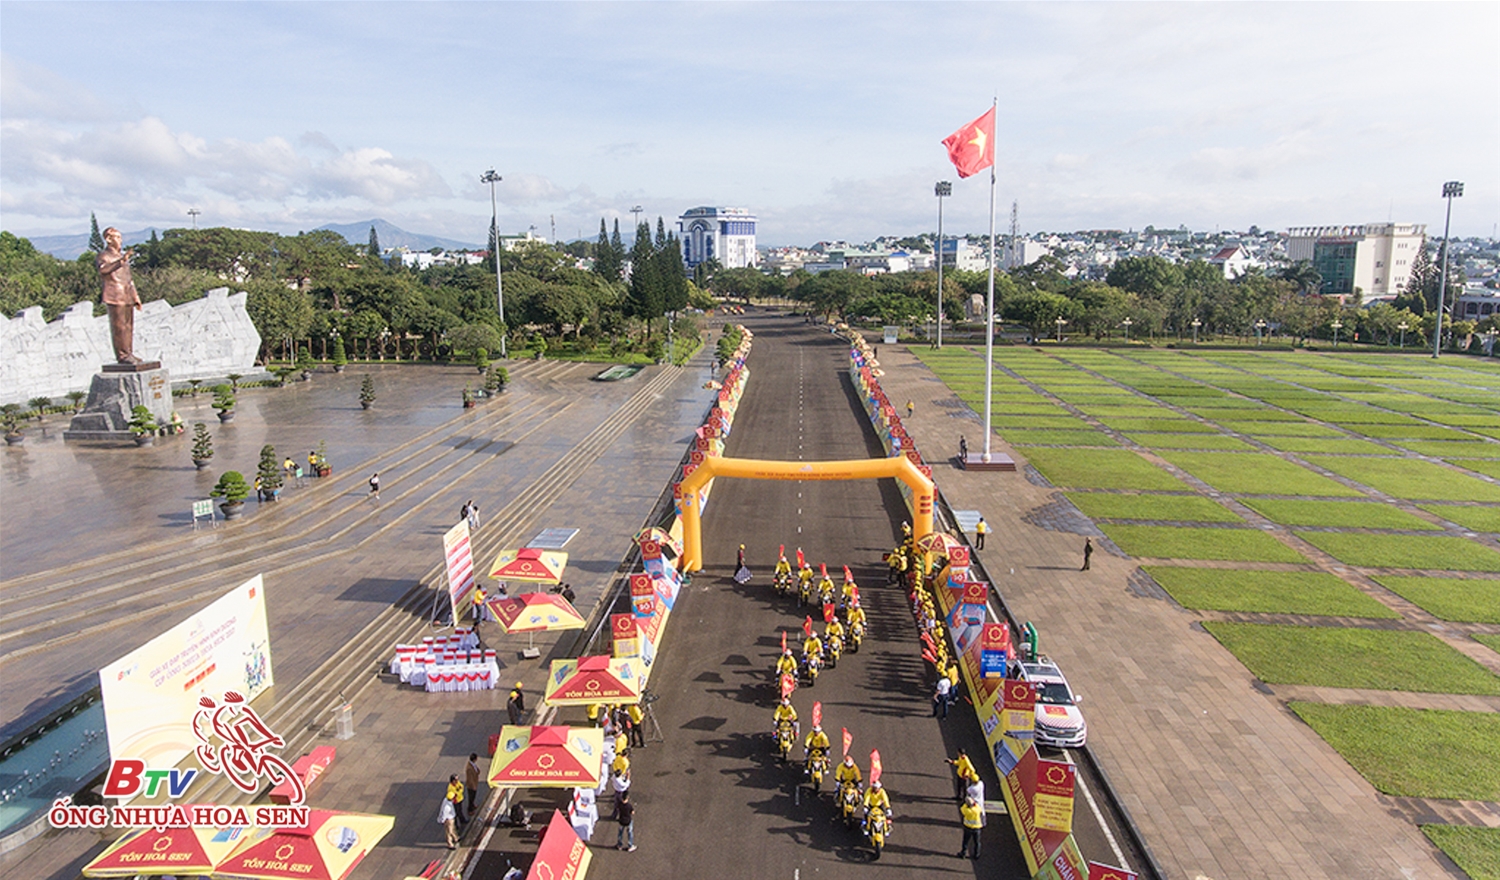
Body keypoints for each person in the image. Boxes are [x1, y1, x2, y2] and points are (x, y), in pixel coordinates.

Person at [96, 227, 144, 364]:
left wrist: (135, 297)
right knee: (119, 327)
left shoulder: (121, 257)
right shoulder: (104, 256)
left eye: (120, 237)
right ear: (108, 239)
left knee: (128, 326)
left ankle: (129, 352)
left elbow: (129, 279)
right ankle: (122, 355)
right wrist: (120, 262)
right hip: (115, 295)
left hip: (126, 293)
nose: (120, 241)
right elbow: (103, 270)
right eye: (117, 237)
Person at [958, 794, 983, 859]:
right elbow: (979, 807)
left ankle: (963, 853)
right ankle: (976, 854)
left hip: (968, 827)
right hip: (977, 828)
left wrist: (966, 804)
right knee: (977, 842)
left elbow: (962, 808)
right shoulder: (977, 809)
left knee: (965, 841)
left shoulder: (966, 810)